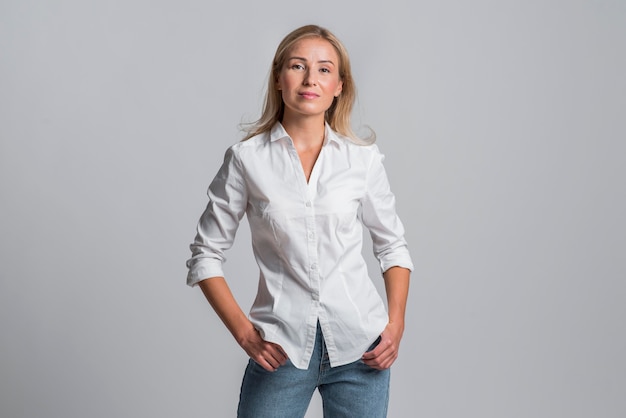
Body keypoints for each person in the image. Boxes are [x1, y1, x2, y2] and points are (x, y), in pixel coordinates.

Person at [186, 24, 413, 418]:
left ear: (340, 85)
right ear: (278, 78)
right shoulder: (247, 160)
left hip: (362, 349)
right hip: (282, 348)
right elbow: (205, 256)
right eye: (298, 66)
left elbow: (393, 247)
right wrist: (245, 334)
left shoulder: (363, 161)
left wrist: (395, 325)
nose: (311, 79)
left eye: (325, 69)